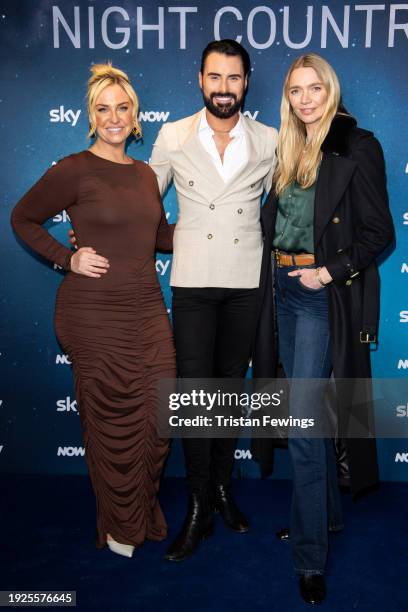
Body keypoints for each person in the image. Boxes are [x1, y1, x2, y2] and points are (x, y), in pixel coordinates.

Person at [11, 63, 175, 558]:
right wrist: (68, 257)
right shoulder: (74, 168)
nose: (113, 118)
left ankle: (139, 509)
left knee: (159, 414)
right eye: (103, 109)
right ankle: (121, 525)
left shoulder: (146, 174)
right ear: (91, 116)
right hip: (93, 314)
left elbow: (160, 238)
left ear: (135, 115)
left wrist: (215, 220)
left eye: (122, 108)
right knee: (110, 425)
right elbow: (23, 218)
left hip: (147, 310)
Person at [254, 53, 394, 603]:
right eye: (295, 90)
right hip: (281, 291)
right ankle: (323, 518)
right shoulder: (286, 149)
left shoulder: (358, 145)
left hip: (317, 297)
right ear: (287, 97)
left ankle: (309, 558)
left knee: (306, 427)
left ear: (330, 91)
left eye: (315, 88)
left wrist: (329, 272)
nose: (306, 99)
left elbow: (379, 232)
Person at [149, 40, 278, 561]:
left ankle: (221, 488)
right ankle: (199, 505)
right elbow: (143, 203)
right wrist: (94, 233)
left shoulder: (269, 139)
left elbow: (276, 204)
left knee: (228, 393)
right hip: (195, 282)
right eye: (214, 78)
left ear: (246, 82)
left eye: (234, 78)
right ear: (200, 80)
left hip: (246, 282)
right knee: (195, 396)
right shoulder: (173, 135)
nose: (224, 88)